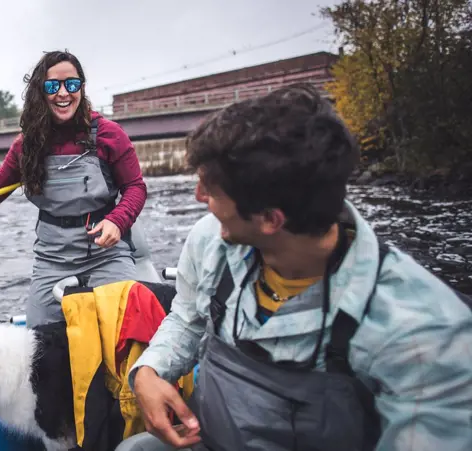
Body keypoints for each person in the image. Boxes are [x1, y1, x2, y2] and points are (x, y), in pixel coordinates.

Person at [122, 85, 472, 451]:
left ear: (270, 219)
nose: (198, 196)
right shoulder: (210, 238)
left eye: (212, 188)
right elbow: (186, 320)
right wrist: (148, 371)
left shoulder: (422, 330)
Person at [0, 50, 147, 328]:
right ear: (41, 91)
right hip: (52, 260)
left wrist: (117, 220)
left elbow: (135, 187)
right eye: (53, 86)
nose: (63, 93)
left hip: (106, 255)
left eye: (71, 84)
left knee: (129, 330)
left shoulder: (111, 134)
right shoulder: (26, 145)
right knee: (39, 347)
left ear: (82, 88)